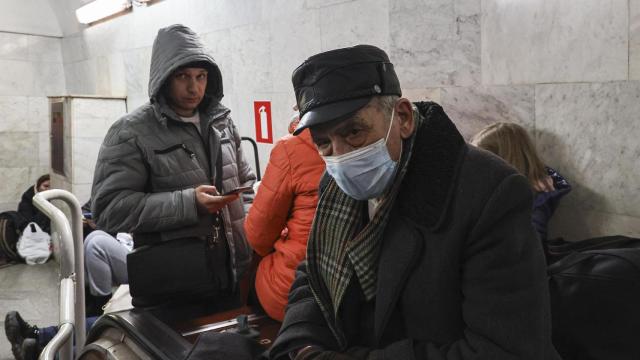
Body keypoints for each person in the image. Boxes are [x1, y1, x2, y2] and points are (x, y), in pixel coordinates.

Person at [269, 45, 560, 359]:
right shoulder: (335, 186)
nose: (340, 157)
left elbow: (505, 349)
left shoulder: (488, 193)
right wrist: (300, 345)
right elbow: (313, 273)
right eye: (323, 142)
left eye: (354, 132)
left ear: (403, 118)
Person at [91, 24, 255, 308]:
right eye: (183, 77)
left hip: (233, 278)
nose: (194, 88)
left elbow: (247, 188)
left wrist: (254, 241)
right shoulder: (131, 132)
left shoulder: (223, 123)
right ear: (164, 78)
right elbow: (108, 209)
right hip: (174, 286)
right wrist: (188, 203)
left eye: (201, 77)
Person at [244, 111, 325, 321]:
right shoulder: (385, 142)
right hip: (366, 291)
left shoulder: (292, 148)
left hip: (296, 290)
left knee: (252, 274)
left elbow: (258, 236)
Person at [470, 122, 571, 243]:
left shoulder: (535, 199)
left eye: (483, 161)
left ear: (502, 160)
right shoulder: (491, 189)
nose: (476, 168)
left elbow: (526, 247)